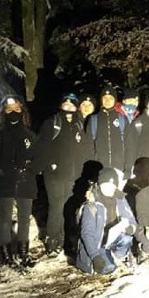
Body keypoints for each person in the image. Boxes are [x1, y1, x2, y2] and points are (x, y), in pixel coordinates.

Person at [34, 92, 91, 256]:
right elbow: (42, 146)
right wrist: (49, 165)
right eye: (65, 105)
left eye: (72, 105)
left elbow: (85, 149)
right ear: (61, 106)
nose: (69, 108)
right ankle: (53, 241)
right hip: (55, 174)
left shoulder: (79, 125)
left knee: (70, 208)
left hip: (74, 175)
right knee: (57, 207)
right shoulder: (52, 123)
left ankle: (69, 240)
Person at [0, 95, 38, 267]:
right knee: (5, 219)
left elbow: (37, 156)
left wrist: (31, 166)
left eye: (16, 109)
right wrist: (4, 170)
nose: (13, 112)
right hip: (4, 182)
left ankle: (24, 253)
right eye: (9, 110)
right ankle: (6, 255)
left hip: (26, 181)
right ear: (3, 112)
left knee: (24, 218)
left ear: (22, 111)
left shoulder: (29, 135)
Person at [76, 167, 137, 275]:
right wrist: (94, 256)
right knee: (108, 268)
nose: (109, 189)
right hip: (98, 244)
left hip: (113, 239)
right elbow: (86, 233)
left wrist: (129, 227)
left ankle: (116, 256)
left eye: (112, 186)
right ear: (99, 185)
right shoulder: (91, 205)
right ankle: (106, 258)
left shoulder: (120, 199)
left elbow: (132, 220)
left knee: (127, 239)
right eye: (105, 185)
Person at [89, 85, 128, 174]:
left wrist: (128, 167)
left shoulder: (122, 119)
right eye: (105, 98)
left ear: (115, 100)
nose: (107, 101)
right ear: (101, 100)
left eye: (110, 98)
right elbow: (88, 145)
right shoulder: (93, 119)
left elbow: (129, 144)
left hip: (119, 168)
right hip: (99, 169)